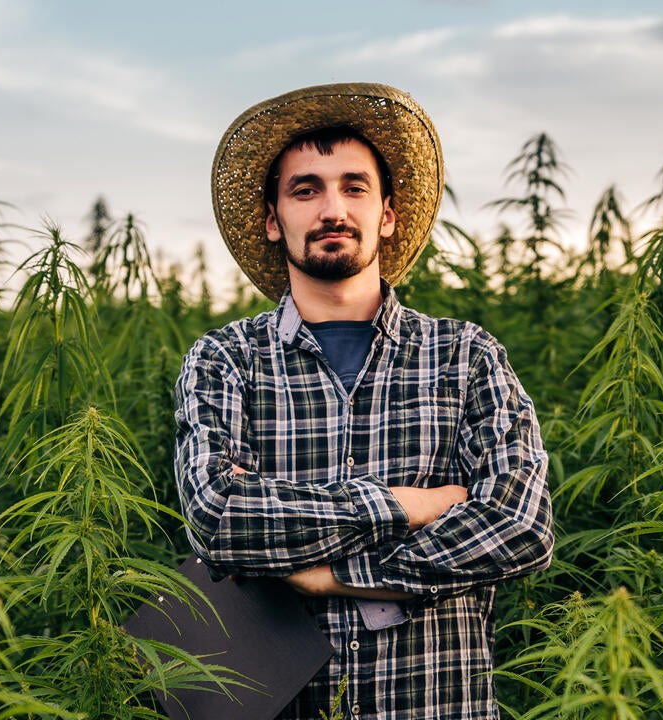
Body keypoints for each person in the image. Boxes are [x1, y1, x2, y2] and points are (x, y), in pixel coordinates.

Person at [174, 82, 554, 720]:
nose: (331, 208)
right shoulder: (224, 360)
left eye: (354, 187)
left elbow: (521, 528)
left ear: (387, 214)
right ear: (273, 220)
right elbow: (220, 518)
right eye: (306, 189)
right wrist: (409, 505)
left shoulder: (465, 356)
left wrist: (335, 575)